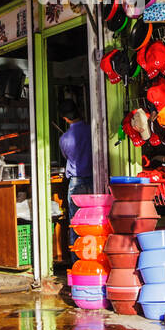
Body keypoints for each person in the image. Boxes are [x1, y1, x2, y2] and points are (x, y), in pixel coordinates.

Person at [58, 100, 93, 250]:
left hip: (76, 183)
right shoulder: (92, 130)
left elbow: (66, 157)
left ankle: (77, 260)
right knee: (93, 220)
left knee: (76, 222)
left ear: (65, 118)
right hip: (94, 179)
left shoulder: (64, 139)